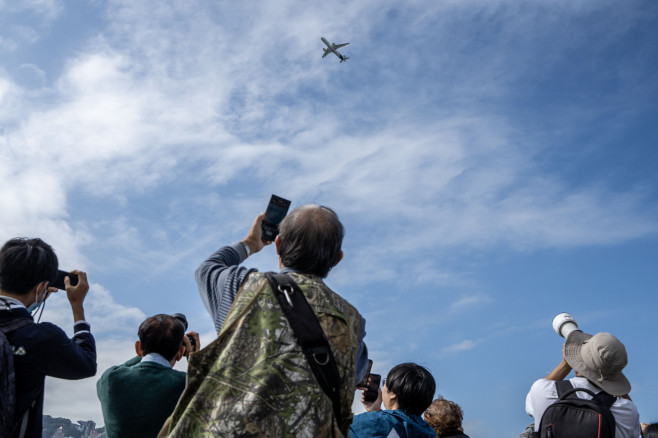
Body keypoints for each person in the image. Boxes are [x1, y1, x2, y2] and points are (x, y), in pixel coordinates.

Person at [162, 205, 368, 437]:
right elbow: (355, 377)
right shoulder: (352, 322)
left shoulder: (241, 286)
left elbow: (206, 270)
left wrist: (251, 243)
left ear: (278, 244)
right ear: (337, 259)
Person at [0, 237, 96, 438]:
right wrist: (77, 307)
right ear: (43, 286)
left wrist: (33, 298)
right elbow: (86, 364)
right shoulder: (41, 339)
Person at [97, 314, 200, 438]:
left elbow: (123, 368)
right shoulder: (187, 385)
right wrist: (196, 360)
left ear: (138, 348)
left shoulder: (109, 379)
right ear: (180, 353)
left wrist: (153, 343)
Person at [525, 330, 641, 438]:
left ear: (577, 361)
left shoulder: (543, 391)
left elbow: (533, 400)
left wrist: (565, 364)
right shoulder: (627, 411)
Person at [349, 362, 436, 438]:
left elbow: (339, 425)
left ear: (393, 394)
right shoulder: (429, 432)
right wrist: (375, 411)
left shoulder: (371, 422)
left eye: (385, 383)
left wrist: (348, 389)